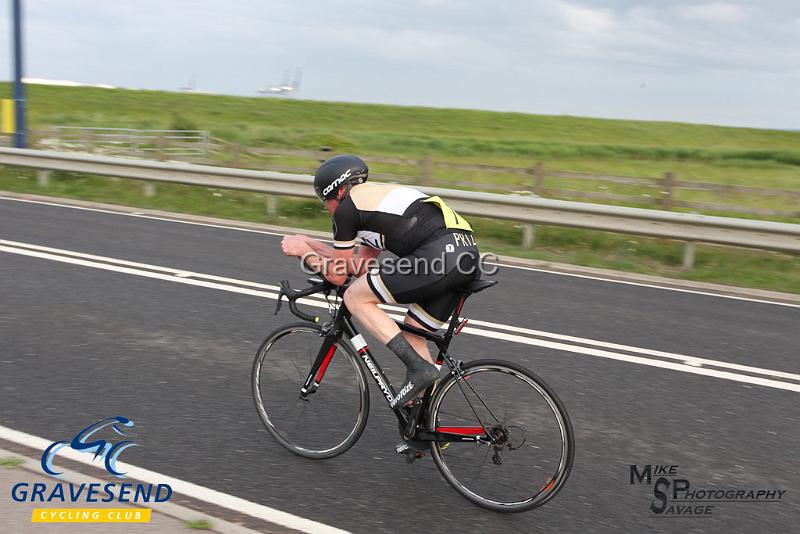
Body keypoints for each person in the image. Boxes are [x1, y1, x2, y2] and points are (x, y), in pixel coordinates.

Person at [281, 154, 479, 409]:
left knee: (354, 297)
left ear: (339, 191)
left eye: (325, 201)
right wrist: (312, 245)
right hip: (464, 255)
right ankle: (427, 421)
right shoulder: (372, 200)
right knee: (412, 332)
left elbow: (339, 276)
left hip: (438, 255)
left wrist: (301, 251)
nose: (327, 208)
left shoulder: (346, 209)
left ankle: (418, 368)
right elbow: (360, 267)